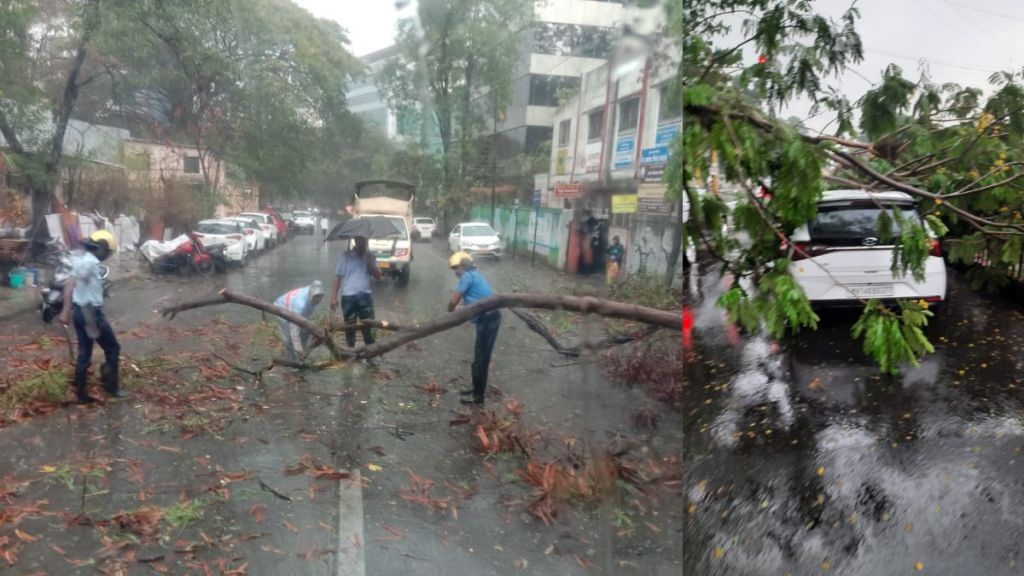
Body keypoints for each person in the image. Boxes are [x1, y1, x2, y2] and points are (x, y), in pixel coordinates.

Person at [58, 230, 123, 404]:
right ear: (101, 249)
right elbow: (71, 284)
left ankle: (81, 394)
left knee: (84, 353)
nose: (108, 256)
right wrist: (65, 310)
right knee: (113, 348)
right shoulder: (90, 263)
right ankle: (111, 386)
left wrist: (66, 310)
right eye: (108, 253)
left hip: (79, 311)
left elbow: (71, 283)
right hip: (90, 314)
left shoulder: (82, 259)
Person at [447, 252, 501, 405]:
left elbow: (454, 300)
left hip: (488, 319)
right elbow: (473, 301)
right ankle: (475, 388)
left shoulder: (467, 277)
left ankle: (478, 397)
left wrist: (449, 311)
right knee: (478, 357)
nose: (455, 272)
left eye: (456, 269)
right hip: (488, 317)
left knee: (481, 359)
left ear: (463, 268)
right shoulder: (474, 275)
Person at [330, 237, 381, 347]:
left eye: (364, 241)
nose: (362, 244)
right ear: (356, 242)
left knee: (369, 328)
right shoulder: (345, 256)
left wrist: (369, 263)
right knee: (349, 329)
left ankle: (371, 355)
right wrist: (333, 298)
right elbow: (338, 277)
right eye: (360, 241)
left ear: (367, 242)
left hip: (365, 297)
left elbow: (378, 276)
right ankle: (350, 353)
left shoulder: (371, 257)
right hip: (348, 297)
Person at [274, 280, 324, 361]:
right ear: (311, 295)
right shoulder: (300, 306)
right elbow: (294, 333)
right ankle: (291, 362)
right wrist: (299, 351)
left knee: (307, 331)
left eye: (320, 296)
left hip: (294, 307)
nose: (319, 300)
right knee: (289, 338)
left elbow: (308, 317)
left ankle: (301, 355)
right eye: (317, 297)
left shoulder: (312, 290)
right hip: (281, 308)